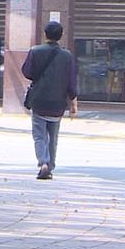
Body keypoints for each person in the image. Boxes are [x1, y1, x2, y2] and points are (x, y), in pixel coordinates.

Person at [21, 21, 78, 180]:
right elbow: (71, 82)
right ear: (61, 36)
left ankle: (43, 163)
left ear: (45, 34)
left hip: (39, 100)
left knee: (39, 135)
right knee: (53, 137)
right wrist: (73, 103)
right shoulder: (67, 56)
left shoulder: (35, 51)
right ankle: (50, 166)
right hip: (58, 102)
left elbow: (27, 72)